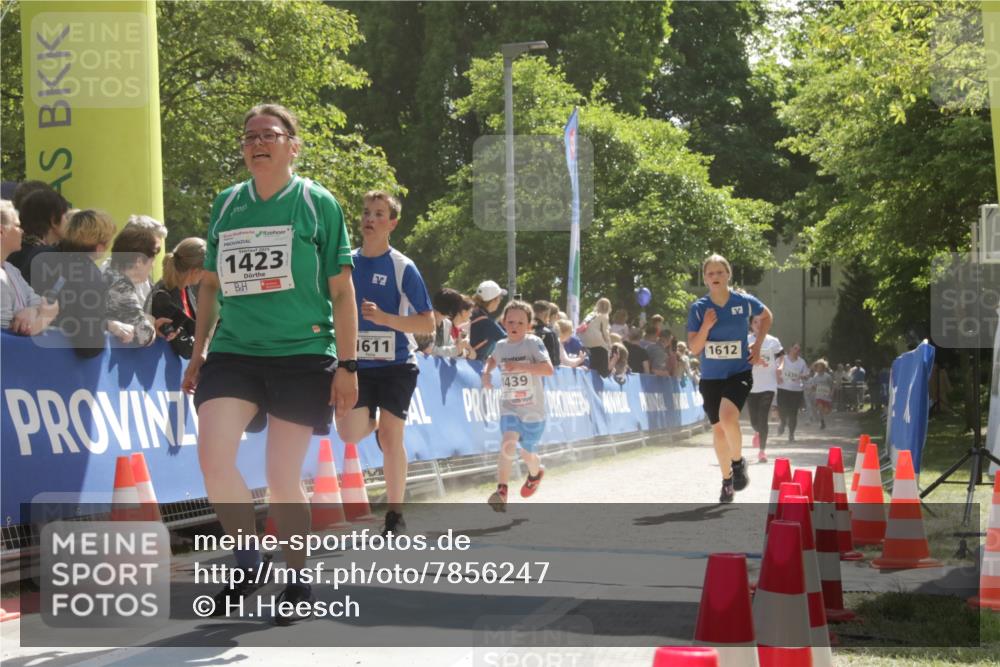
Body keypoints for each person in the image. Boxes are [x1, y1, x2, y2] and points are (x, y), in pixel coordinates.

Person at [181, 104, 358, 625]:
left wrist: (347, 364)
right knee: (214, 459)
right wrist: (198, 353)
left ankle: (298, 577)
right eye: (249, 136)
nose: (256, 143)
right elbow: (210, 286)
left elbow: (342, 292)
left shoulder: (316, 202)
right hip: (234, 351)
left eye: (269, 135)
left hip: (302, 355)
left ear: (293, 146)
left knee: (282, 475)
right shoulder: (227, 204)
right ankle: (248, 558)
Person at [337, 190, 434, 538]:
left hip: (396, 364)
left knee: (393, 438)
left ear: (392, 223)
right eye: (366, 212)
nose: (370, 218)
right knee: (348, 432)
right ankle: (375, 420)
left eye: (379, 213)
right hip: (355, 365)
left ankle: (395, 513)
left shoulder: (403, 267)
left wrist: (386, 319)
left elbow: (428, 324)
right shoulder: (345, 262)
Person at [687, 253, 773, 503]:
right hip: (711, 377)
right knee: (719, 431)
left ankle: (737, 464)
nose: (715, 277)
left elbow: (767, 316)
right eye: (710, 273)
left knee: (728, 417)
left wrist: (757, 346)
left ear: (728, 275)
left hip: (738, 372)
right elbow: (694, 348)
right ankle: (727, 481)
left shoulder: (744, 302)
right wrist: (705, 327)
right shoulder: (699, 308)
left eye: (719, 273)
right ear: (705, 278)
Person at [481, 300, 554, 511]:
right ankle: (502, 491)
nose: (515, 326)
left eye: (521, 323)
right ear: (503, 322)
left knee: (527, 453)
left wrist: (520, 366)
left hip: (533, 411)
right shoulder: (501, 345)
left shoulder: (533, 343)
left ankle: (535, 473)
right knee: (508, 442)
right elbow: (492, 359)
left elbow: (548, 369)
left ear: (529, 325)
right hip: (510, 406)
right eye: (510, 321)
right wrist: (486, 373)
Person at [43, 210, 116, 357]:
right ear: (100, 246)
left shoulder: (47, 261)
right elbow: (89, 343)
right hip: (67, 365)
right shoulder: (90, 275)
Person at [0, 201, 58, 334]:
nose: (22, 231)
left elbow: (36, 300)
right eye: (17, 226)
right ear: (1, 231)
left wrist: (31, 311)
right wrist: (45, 316)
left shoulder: (11, 269)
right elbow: (3, 340)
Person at [104, 225, 166, 347]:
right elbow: (145, 336)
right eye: (152, 260)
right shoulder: (120, 285)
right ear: (138, 261)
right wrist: (150, 320)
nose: (152, 266)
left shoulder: (110, 275)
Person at [150, 237, 205, 359]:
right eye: (205, 270)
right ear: (195, 271)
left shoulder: (186, 289)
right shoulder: (163, 297)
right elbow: (186, 350)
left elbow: (193, 328)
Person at [7, 188, 69, 285]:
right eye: (66, 216)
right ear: (53, 221)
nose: (68, 222)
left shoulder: (12, 250)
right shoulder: (49, 256)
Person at [745, 314, 783, 463]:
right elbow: (741, 358)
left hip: (768, 384)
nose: (758, 325)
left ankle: (762, 451)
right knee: (754, 420)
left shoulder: (773, 341)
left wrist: (780, 368)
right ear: (751, 325)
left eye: (761, 322)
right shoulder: (746, 340)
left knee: (763, 417)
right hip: (751, 384)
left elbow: (781, 357)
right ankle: (757, 432)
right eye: (755, 322)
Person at [429, 288, 474, 358]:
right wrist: (457, 349)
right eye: (457, 307)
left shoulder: (447, 324)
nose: (458, 310)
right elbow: (429, 350)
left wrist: (460, 349)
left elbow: (452, 350)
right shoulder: (425, 321)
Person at [776, 343, 808, 442]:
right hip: (782, 389)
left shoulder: (802, 362)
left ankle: (791, 434)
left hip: (796, 390)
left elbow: (806, 374)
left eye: (799, 350)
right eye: (795, 349)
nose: (797, 351)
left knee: (793, 413)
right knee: (782, 411)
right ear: (790, 349)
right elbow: (775, 370)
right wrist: (778, 378)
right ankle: (782, 422)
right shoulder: (782, 359)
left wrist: (802, 376)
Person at [469, 279, 506, 362]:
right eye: (500, 297)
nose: (500, 301)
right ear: (494, 300)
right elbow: (509, 341)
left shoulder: (472, 313)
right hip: (475, 366)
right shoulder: (487, 323)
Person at [579, 297, 612, 377]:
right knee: (605, 352)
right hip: (597, 341)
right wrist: (609, 343)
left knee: (592, 361)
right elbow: (605, 332)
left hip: (584, 341)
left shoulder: (590, 314)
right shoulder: (604, 316)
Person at [532, 300, 560, 367]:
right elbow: (554, 361)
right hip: (543, 373)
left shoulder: (523, 331)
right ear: (546, 314)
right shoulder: (549, 333)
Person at [808, 359, 834, 429]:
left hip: (826, 396)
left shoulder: (827, 376)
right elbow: (814, 386)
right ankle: (822, 422)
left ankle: (824, 415)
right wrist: (812, 389)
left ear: (824, 367)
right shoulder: (815, 377)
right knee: (820, 408)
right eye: (817, 367)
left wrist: (831, 393)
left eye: (820, 367)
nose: (819, 368)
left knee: (826, 411)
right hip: (818, 396)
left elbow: (831, 386)